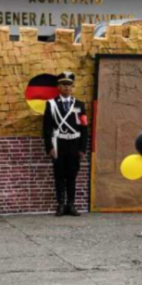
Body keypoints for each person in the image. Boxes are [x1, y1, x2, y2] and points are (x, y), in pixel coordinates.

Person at [43, 71, 88, 217]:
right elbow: (47, 128)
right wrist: (49, 147)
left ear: (73, 87)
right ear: (58, 86)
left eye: (69, 85)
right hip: (59, 144)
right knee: (59, 176)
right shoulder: (51, 104)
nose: (67, 88)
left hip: (74, 144)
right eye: (64, 85)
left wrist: (82, 148)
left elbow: (84, 127)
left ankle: (71, 204)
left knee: (72, 176)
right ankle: (60, 205)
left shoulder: (80, 105)